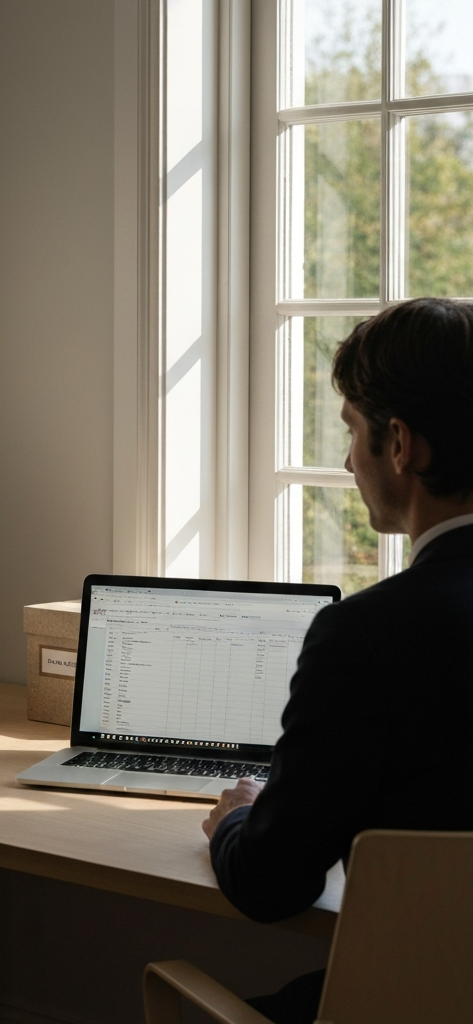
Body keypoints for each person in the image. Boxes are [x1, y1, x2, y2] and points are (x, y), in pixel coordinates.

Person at [201, 297, 473, 1024]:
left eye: (353, 430)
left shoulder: (367, 636)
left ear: (401, 445)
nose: (348, 459)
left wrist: (235, 817)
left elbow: (270, 885)